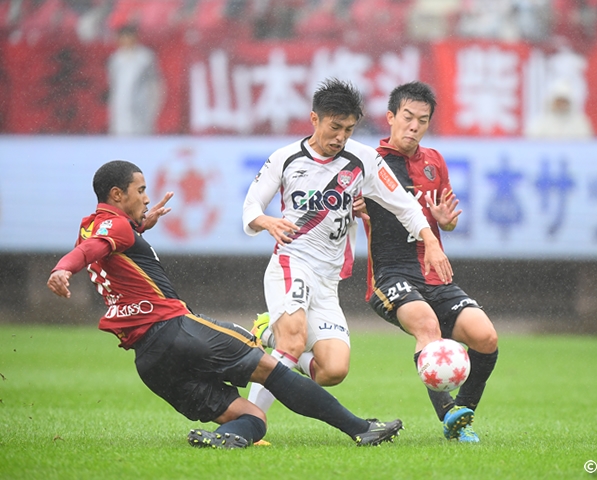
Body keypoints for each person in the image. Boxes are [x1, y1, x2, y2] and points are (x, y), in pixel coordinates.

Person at [46, 160, 404, 449]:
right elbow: (92, 250)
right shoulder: (117, 230)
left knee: (251, 419)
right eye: (140, 191)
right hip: (177, 330)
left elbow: (100, 247)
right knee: (273, 370)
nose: (145, 197)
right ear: (116, 193)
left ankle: (220, 441)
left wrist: (140, 227)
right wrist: (64, 269)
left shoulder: (93, 226)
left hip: (150, 361)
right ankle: (360, 429)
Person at [242, 78, 452, 416]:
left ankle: (267, 333)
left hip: (328, 281)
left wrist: (430, 240)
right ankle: (249, 420)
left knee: (333, 370)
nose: (340, 137)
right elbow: (250, 207)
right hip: (292, 262)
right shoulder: (285, 158)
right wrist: (266, 221)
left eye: (349, 129)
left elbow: (405, 205)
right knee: (293, 341)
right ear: (315, 120)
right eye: (334, 127)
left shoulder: (364, 159)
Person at [361, 81, 499, 443]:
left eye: (422, 120)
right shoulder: (369, 163)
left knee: (486, 338)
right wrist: (357, 208)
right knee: (427, 327)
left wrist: (446, 220)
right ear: (390, 117)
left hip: (435, 276)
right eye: (407, 118)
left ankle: (460, 416)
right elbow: (343, 206)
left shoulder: (434, 161)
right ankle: (448, 411)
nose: (414, 127)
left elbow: (448, 220)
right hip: (390, 275)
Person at [107, 24, 164, 135]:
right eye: (123, 38)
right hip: (121, 106)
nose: (127, 41)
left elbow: (155, 84)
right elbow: (113, 85)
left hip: (141, 106)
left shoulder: (145, 57)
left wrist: (155, 108)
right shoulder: (115, 59)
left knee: (141, 139)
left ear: (136, 38)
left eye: (129, 37)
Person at [525, 79, 593, 139]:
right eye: (558, 101)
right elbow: (531, 145)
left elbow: (586, 145)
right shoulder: (540, 122)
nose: (561, 104)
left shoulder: (579, 123)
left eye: (564, 101)